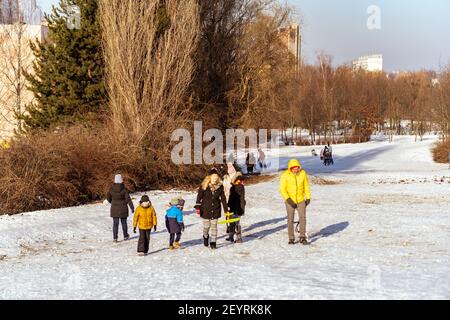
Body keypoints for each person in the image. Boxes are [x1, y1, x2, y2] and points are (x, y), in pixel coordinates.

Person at [280, 159, 311, 245]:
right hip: (290, 200)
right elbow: (282, 189)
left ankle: (302, 237)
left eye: (297, 167)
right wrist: (288, 200)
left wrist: (308, 197)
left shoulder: (303, 173)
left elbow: (306, 186)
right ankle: (291, 238)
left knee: (303, 218)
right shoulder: (285, 175)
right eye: (294, 168)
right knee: (290, 219)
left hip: (300, 200)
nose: (296, 169)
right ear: (290, 168)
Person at [195, 172, 228, 250]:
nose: (215, 178)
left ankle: (213, 242)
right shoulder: (204, 185)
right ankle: (205, 236)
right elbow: (199, 196)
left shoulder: (220, 186)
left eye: (216, 176)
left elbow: (223, 198)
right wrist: (198, 206)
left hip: (216, 209)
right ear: (210, 177)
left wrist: (226, 209)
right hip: (205, 209)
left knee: (214, 227)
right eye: (214, 176)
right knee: (206, 227)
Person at [106, 174, 135, 242]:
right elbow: (128, 199)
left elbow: (108, 198)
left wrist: (112, 202)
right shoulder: (124, 189)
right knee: (124, 223)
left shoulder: (111, 189)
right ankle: (125, 236)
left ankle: (115, 238)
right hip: (123, 208)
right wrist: (132, 207)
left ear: (115, 181)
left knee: (115, 224)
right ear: (121, 180)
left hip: (114, 209)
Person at [223, 163, 246, 243]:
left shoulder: (234, 188)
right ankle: (236, 237)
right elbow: (242, 199)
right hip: (238, 206)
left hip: (233, 206)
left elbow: (233, 199)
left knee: (233, 222)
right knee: (236, 222)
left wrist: (228, 205)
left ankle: (232, 237)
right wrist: (242, 208)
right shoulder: (241, 187)